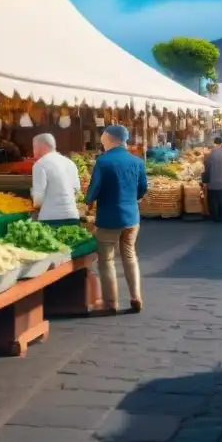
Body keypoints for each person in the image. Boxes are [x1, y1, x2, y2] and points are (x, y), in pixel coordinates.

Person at [85, 125, 147, 314]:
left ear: (110, 139)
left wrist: (88, 202)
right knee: (129, 255)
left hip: (109, 218)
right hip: (131, 217)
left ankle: (111, 302)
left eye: (103, 138)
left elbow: (94, 189)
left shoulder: (103, 162)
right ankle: (136, 296)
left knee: (106, 259)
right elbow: (143, 188)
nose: (101, 141)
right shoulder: (137, 161)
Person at [31, 133, 81, 226]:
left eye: (34, 147)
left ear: (42, 147)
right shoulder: (69, 163)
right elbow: (76, 190)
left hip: (51, 219)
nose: (33, 151)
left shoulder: (40, 164)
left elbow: (38, 201)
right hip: (73, 216)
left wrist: (32, 195)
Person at [203, 137, 222, 222]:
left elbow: (207, 168)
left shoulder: (210, 154)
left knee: (212, 200)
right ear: (221, 144)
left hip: (213, 182)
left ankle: (214, 216)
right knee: (221, 199)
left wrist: (205, 182)